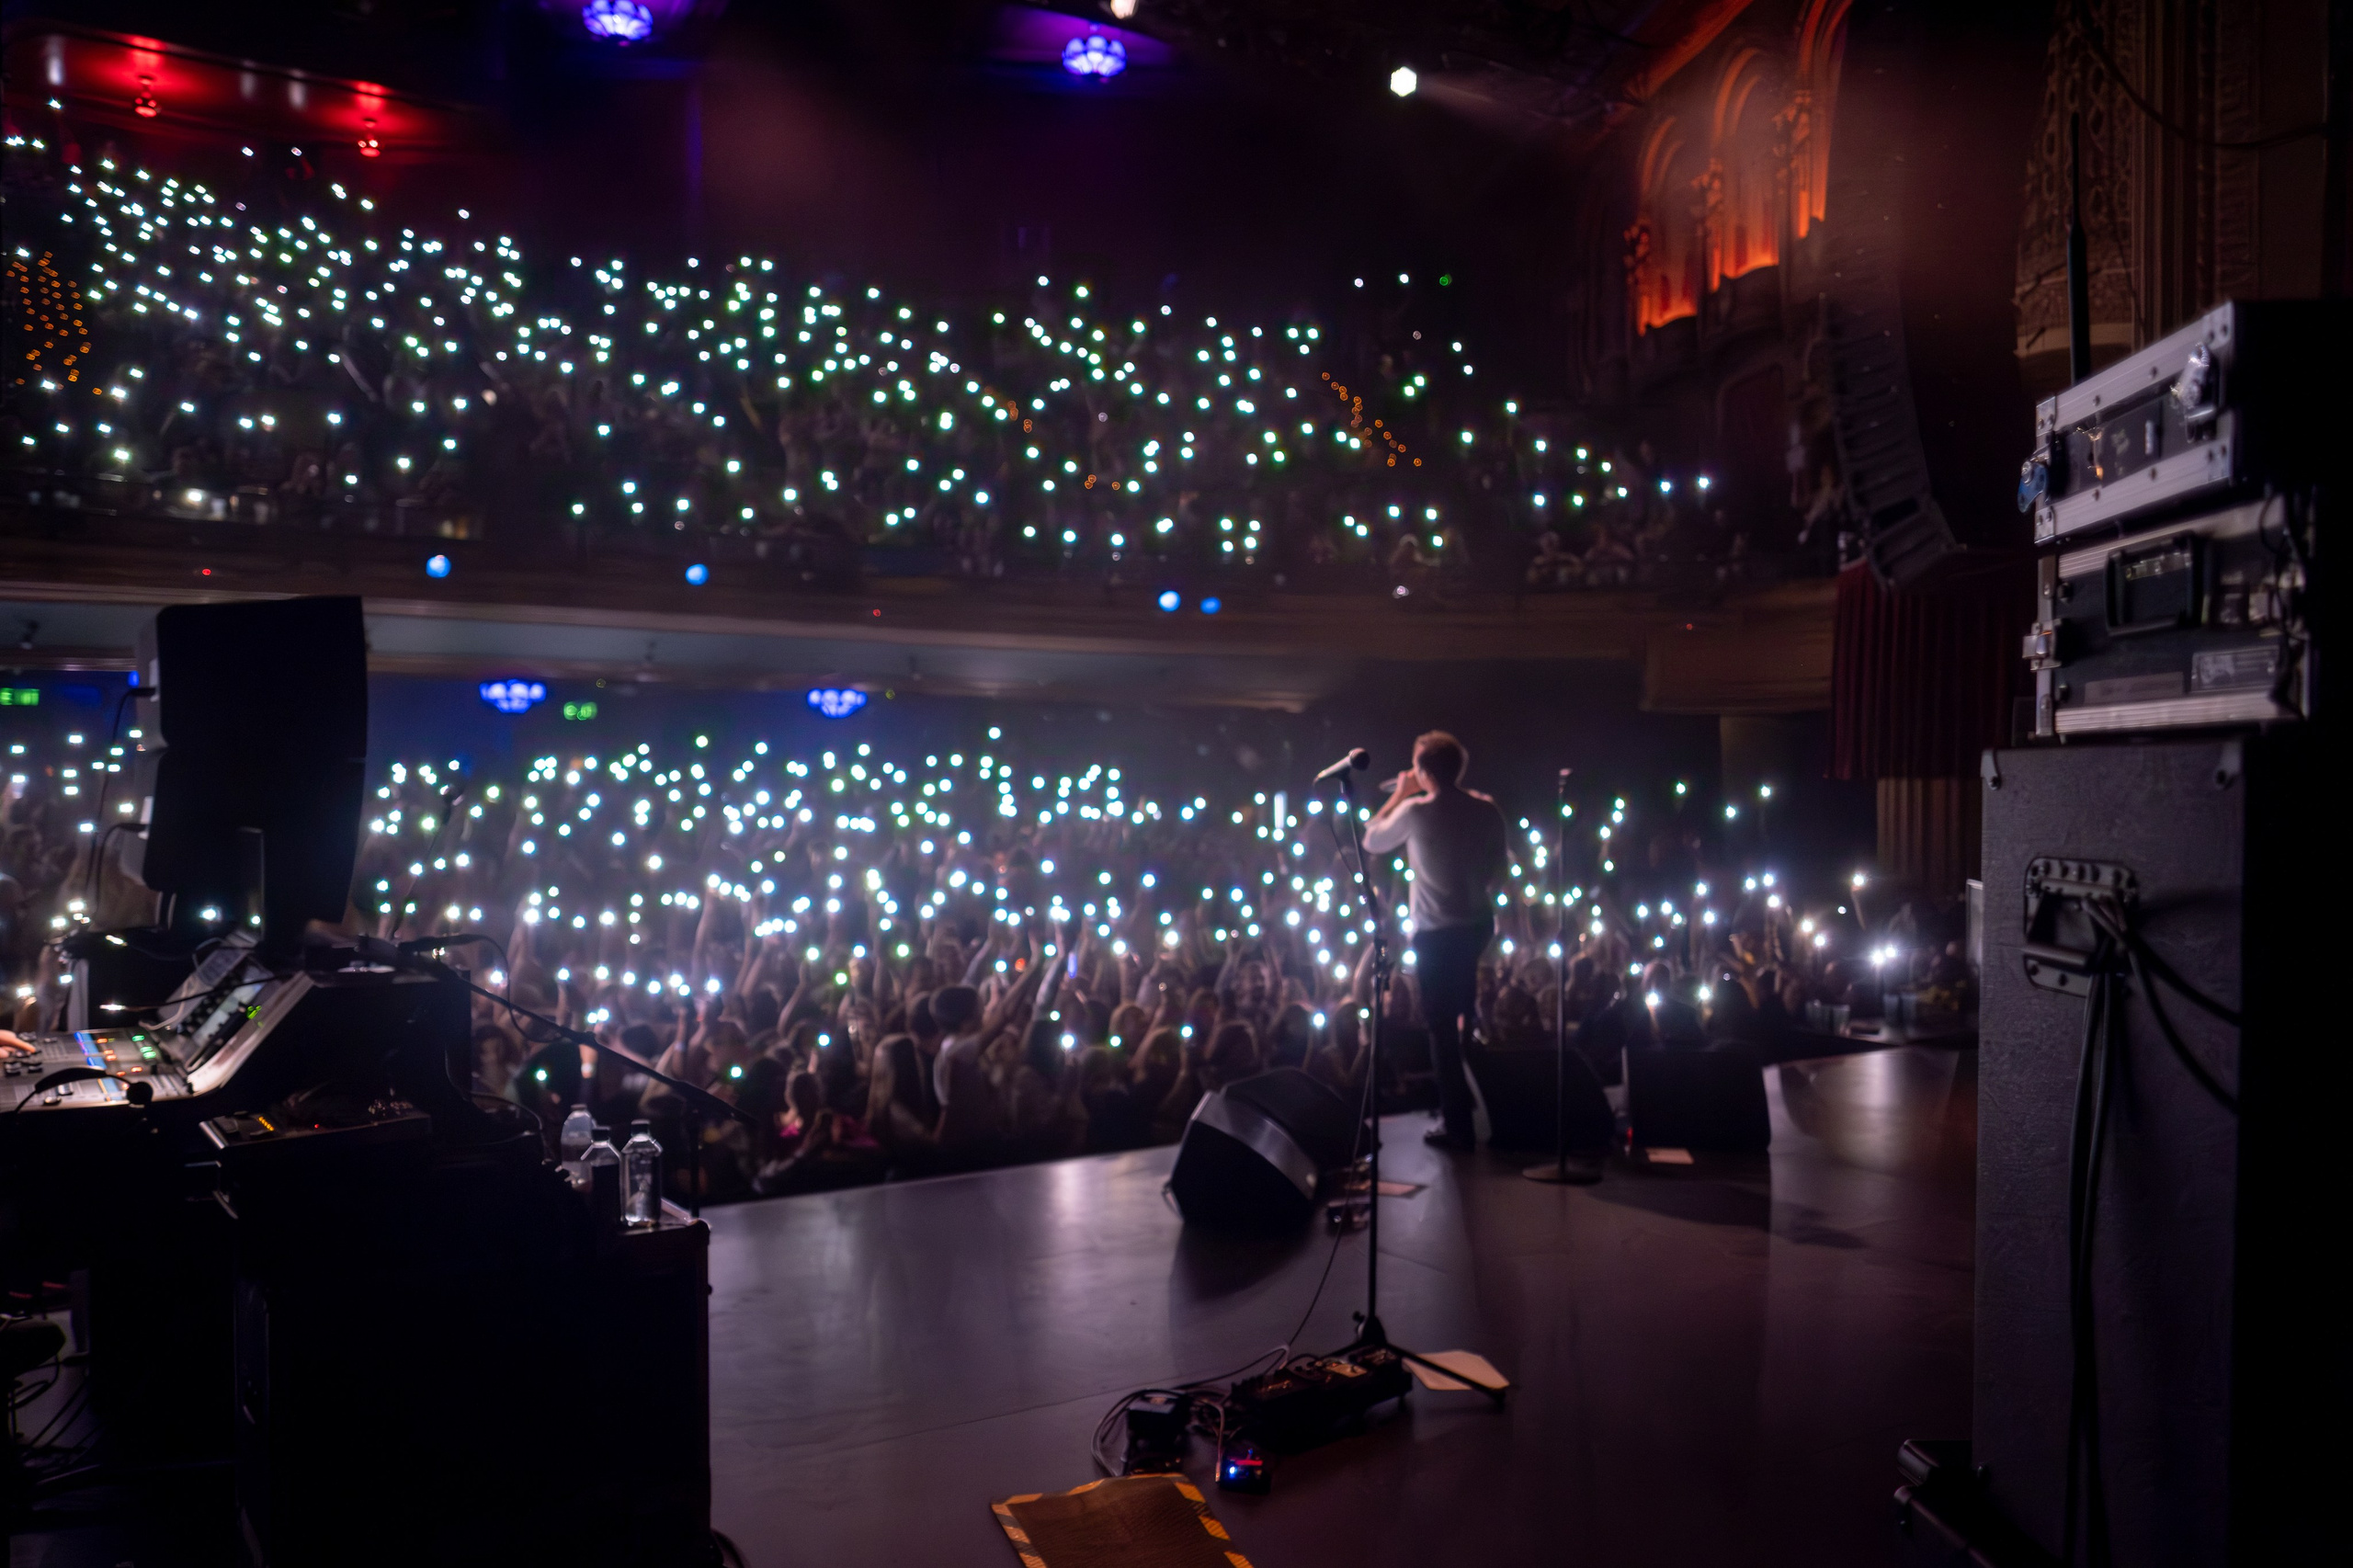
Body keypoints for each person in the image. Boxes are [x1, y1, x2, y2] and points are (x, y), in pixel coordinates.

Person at [1361, 731, 1508, 1150]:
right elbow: (1499, 864)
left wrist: (1401, 793)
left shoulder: (1416, 810)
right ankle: (1479, 1107)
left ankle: (1458, 1124)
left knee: (1440, 1027)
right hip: (1478, 926)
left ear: (1424, 771)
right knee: (1466, 1020)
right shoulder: (1486, 810)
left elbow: (1372, 838)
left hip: (1436, 934)